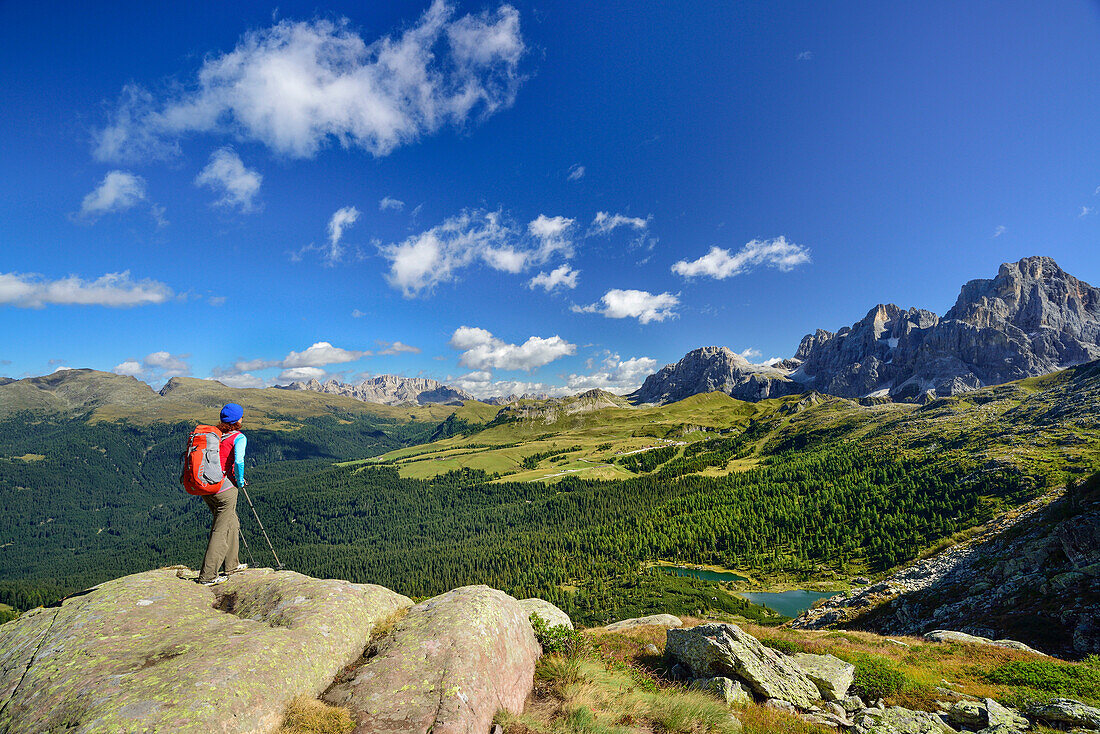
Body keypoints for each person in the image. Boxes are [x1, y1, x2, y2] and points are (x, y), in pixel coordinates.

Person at [197, 402, 249, 586]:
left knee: (232, 522)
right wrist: (241, 481)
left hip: (206, 488)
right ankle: (208, 576)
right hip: (225, 490)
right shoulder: (238, 438)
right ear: (238, 420)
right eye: (242, 416)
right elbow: (239, 462)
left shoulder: (214, 436)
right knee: (220, 529)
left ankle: (231, 565)